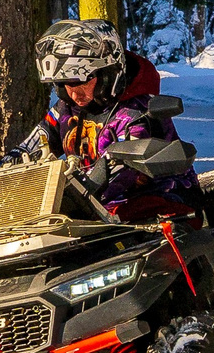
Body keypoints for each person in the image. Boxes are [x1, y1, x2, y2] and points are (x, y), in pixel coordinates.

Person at [12, 18, 199, 222]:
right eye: (63, 83)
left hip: (158, 209)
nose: (74, 93)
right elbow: (30, 147)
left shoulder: (137, 112)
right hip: (97, 212)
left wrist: (66, 199)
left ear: (107, 74)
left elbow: (118, 174)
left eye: (79, 80)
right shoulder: (67, 108)